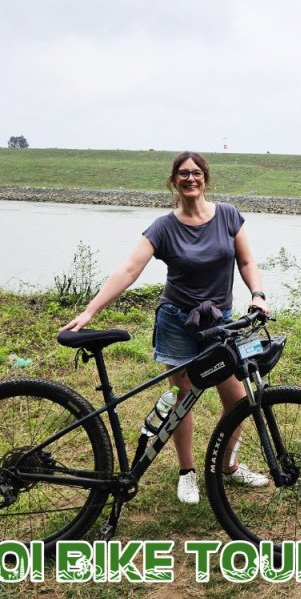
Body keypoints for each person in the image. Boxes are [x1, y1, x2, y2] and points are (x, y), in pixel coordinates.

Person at [62, 151, 271, 505]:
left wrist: (258, 294)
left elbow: (247, 261)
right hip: (178, 321)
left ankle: (228, 466)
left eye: (196, 173)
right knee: (182, 399)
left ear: (206, 177)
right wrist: (90, 311)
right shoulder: (163, 226)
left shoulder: (229, 216)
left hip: (219, 322)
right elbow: (129, 270)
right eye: (183, 174)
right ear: (173, 181)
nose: (191, 179)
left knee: (236, 399)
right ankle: (187, 472)